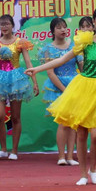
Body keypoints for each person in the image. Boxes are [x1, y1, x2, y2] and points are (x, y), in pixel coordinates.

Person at [27, 6, 96, 186]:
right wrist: (37, 69)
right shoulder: (86, 42)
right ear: (94, 22)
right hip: (83, 88)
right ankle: (83, 174)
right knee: (82, 134)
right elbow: (62, 59)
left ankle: (93, 169)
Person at [0, 15, 38, 160]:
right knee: (0, 116)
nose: (5, 26)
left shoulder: (20, 42)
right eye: (2, 24)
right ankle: (3, 149)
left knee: (15, 117)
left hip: (16, 79)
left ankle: (14, 150)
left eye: (7, 24)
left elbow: (28, 63)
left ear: (12, 25)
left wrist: (34, 81)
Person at [39, 18, 80, 166]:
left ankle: (71, 156)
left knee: (73, 123)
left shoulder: (75, 46)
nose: (63, 30)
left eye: (64, 27)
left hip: (75, 85)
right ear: (52, 31)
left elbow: (81, 67)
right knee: (62, 122)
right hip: (57, 87)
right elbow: (50, 72)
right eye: (59, 28)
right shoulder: (48, 49)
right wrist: (64, 90)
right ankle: (61, 156)